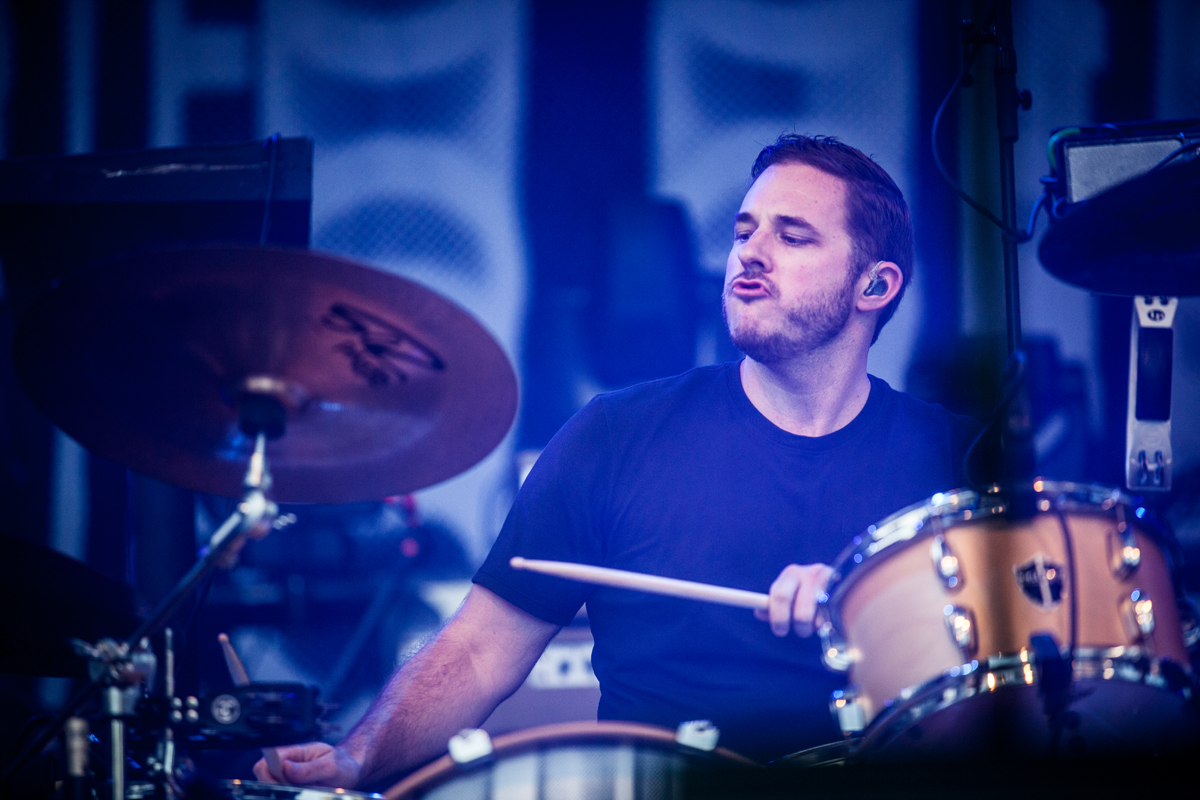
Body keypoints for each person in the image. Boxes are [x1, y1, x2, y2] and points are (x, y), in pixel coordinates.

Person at [254, 134, 978, 788]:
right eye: (744, 231)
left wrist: (884, 608)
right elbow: (479, 650)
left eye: (793, 237)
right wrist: (359, 756)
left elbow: (1017, 693)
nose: (751, 253)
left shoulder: (957, 460)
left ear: (875, 286)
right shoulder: (615, 436)